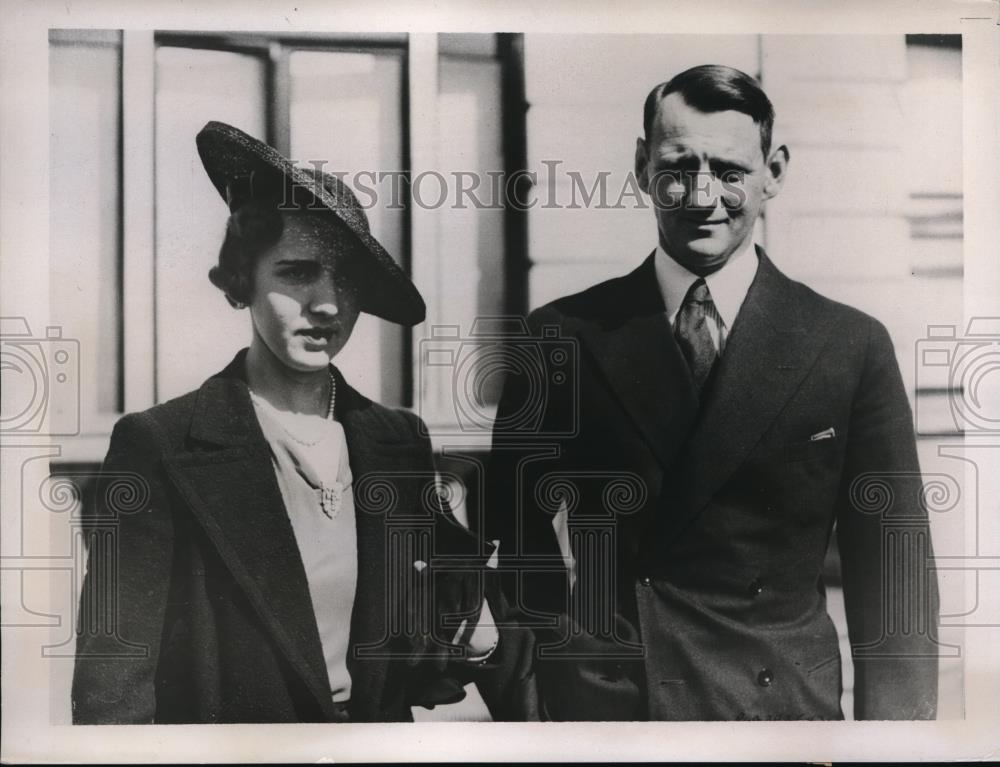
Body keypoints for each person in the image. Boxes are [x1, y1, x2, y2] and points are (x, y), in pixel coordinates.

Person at [486, 65, 939, 721]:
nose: (703, 196)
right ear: (642, 166)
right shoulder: (561, 336)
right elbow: (514, 543)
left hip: (779, 715)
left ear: (774, 172)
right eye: (678, 166)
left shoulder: (849, 345)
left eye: (729, 171)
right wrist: (534, 705)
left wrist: (896, 744)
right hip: (614, 714)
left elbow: (895, 579)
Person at [72, 121, 535, 724]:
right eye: (297, 273)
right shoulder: (160, 445)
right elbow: (115, 682)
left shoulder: (398, 442)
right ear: (242, 282)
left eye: (347, 277)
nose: (328, 304)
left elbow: (435, 643)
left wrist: (475, 635)